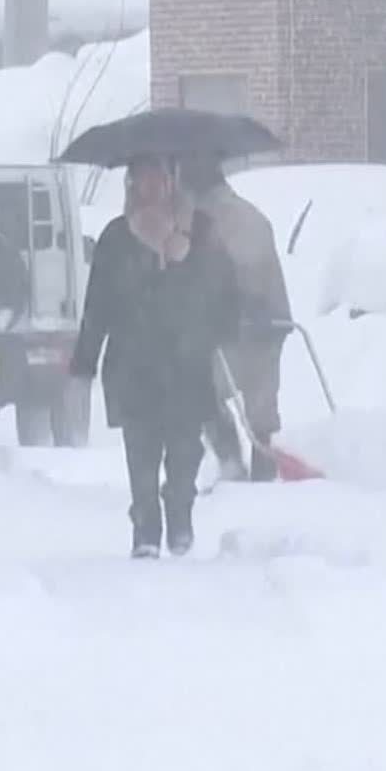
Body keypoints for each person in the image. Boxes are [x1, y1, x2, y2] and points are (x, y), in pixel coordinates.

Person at [69, 155, 241, 558]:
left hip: (187, 361)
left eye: (158, 178)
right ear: (131, 184)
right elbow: (98, 306)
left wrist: (221, 329)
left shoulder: (200, 231)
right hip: (134, 364)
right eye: (141, 179)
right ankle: (146, 527)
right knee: (141, 451)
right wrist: (84, 362)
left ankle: (179, 509)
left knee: (185, 450)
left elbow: (224, 288)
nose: (150, 186)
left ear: (171, 181)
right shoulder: (116, 237)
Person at [180, 154, 292, 482]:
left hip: (238, 327)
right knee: (262, 406)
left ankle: (232, 462)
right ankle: (264, 471)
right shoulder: (251, 215)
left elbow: (222, 277)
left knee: (202, 392)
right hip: (272, 321)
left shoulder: (210, 221)